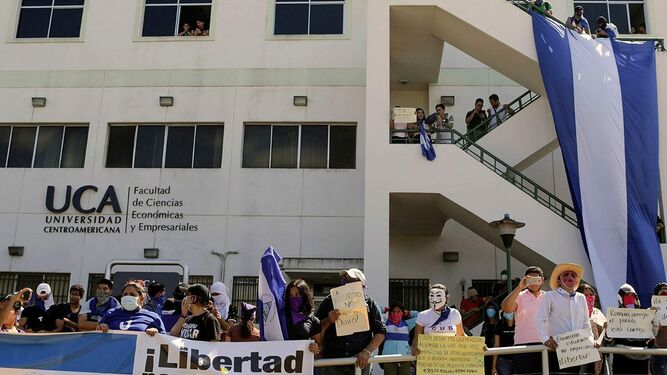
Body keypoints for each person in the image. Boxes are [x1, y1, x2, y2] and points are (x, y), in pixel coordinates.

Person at [316, 268, 386, 375]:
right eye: (344, 281)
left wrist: (367, 351)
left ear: (361, 285)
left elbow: (380, 332)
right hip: (333, 361)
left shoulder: (370, 304)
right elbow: (315, 330)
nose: (346, 284)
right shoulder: (329, 301)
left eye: (351, 281)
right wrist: (328, 321)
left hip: (360, 361)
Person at [537, 263, 590, 374]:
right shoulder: (550, 296)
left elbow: (586, 323)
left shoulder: (581, 298)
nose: (569, 277)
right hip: (556, 348)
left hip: (577, 350)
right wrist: (545, 339)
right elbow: (540, 319)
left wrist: (589, 339)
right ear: (559, 280)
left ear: (577, 281)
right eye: (565, 274)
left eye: (573, 275)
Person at [501, 266, 546, 375]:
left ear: (542, 280)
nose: (534, 282)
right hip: (523, 346)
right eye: (531, 279)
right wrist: (519, 287)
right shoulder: (520, 295)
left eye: (537, 279)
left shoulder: (548, 297)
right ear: (525, 279)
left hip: (545, 345)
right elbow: (506, 308)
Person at [606, 283, 650, 374]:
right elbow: (609, 343)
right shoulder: (615, 317)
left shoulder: (645, 315)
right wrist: (608, 330)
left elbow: (649, 340)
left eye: (632, 296)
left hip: (642, 361)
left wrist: (654, 323)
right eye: (626, 296)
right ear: (621, 299)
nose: (630, 299)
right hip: (623, 360)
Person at [412, 284, 465, 357]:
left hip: (451, 359)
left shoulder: (454, 313)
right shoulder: (422, 315)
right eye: (432, 295)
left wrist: (478, 346)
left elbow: (461, 336)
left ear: (446, 298)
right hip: (430, 359)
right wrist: (415, 349)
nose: (435, 299)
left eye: (439, 295)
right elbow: (416, 340)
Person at [96, 280, 165, 336]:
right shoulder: (110, 313)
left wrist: (155, 333)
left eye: (132, 294)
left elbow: (164, 342)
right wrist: (101, 327)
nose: (128, 297)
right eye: (125, 294)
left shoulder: (153, 317)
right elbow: (97, 337)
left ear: (141, 298)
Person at [284, 279, 322, 355]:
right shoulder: (281, 316)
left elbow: (319, 347)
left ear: (304, 296)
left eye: (297, 294)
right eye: (290, 295)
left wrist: (315, 349)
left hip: (301, 363)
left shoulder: (313, 320)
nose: (293, 298)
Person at [380, 302, 419, 375]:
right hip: (388, 359)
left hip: (405, 358)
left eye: (398, 311)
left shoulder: (407, 324)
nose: (396, 313)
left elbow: (420, 315)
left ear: (402, 313)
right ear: (390, 312)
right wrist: (386, 309)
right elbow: (377, 311)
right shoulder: (385, 323)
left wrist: (408, 313)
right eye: (393, 311)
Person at [579, 284, 606, 375]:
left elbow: (606, 334)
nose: (589, 297)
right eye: (585, 295)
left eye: (591, 295)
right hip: (579, 354)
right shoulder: (574, 311)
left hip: (598, 355)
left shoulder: (598, 312)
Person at [651, 282, 667, 374]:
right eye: (663, 294)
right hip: (660, 353)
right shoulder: (649, 312)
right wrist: (655, 321)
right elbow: (651, 335)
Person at [492, 311, 515, 375]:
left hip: (517, 359)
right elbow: (496, 345)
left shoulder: (519, 322)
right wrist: (493, 367)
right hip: (503, 360)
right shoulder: (499, 324)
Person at [481, 301, 500, 375]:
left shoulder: (499, 324)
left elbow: (497, 343)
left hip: (497, 356)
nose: (490, 310)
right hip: (486, 356)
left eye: (492, 308)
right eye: (488, 309)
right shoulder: (485, 325)